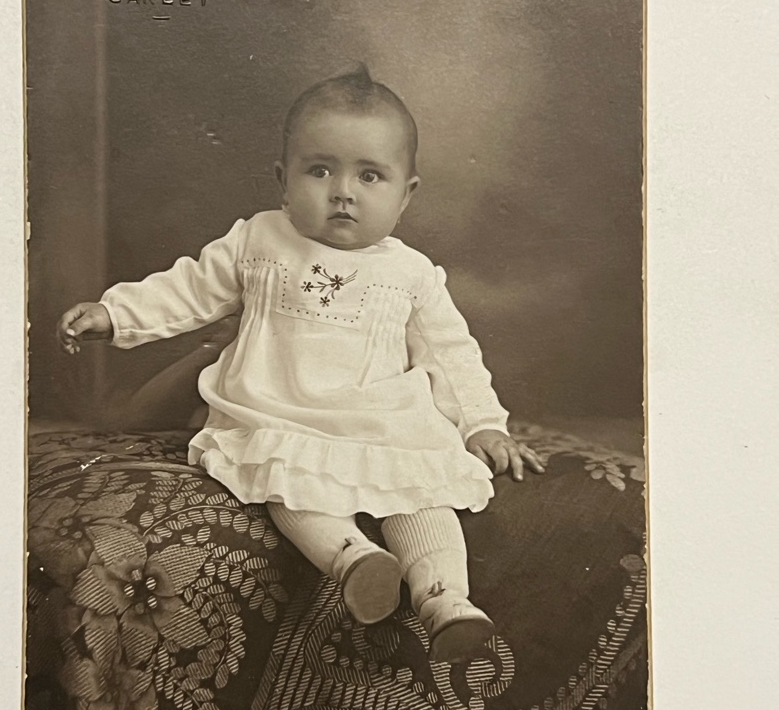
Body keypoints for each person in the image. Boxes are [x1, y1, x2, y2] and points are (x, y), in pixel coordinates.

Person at [56, 67, 543, 663]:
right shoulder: (260, 239)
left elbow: (452, 353)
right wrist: (115, 313)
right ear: (283, 182)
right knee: (285, 477)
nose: (343, 191)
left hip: (382, 418)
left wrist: (482, 424)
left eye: (369, 176)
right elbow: (188, 289)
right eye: (320, 170)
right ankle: (355, 559)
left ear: (406, 194)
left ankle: (446, 599)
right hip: (279, 412)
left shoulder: (411, 272)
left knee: (423, 490)